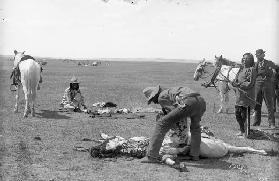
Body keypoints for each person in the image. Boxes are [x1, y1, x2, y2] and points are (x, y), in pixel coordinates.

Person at [141, 85, 206, 162]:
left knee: (161, 123)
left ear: (155, 95)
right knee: (195, 128)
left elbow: (173, 116)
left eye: (152, 99)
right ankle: (195, 155)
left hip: (188, 101)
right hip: (201, 101)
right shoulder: (170, 91)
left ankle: (151, 156)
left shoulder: (161, 96)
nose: (154, 102)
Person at [231, 53, 257, 137]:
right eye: (244, 58)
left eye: (246, 58)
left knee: (245, 116)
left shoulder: (252, 69)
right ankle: (242, 131)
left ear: (251, 60)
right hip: (239, 96)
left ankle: (247, 133)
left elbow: (250, 83)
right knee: (238, 115)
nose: (244, 60)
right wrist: (234, 83)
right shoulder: (241, 69)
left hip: (247, 96)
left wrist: (239, 85)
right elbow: (236, 80)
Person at [253, 49, 277, 128]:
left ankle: (272, 123)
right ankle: (256, 122)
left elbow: (273, 71)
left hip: (267, 86)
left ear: (262, 55)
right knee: (257, 104)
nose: (257, 56)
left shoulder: (269, 63)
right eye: (257, 55)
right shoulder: (255, 64)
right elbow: (253, 75)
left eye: (260, 54)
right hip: (257, 86)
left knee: (269, 105)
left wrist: (267, 73)